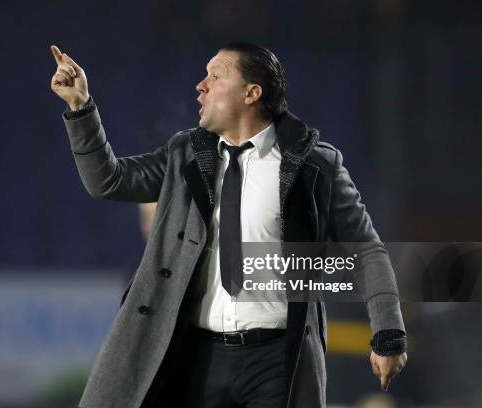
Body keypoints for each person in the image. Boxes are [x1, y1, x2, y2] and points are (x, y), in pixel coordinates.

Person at [50, 42, 407, 408]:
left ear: (252, 93)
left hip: (277, 361)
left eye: (216, 76)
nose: (200, 86)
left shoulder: (315, 166)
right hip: (198, 357)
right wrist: (80, 107)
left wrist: (388, 331)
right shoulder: (184, 154)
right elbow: (107, 180)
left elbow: (366, 249)